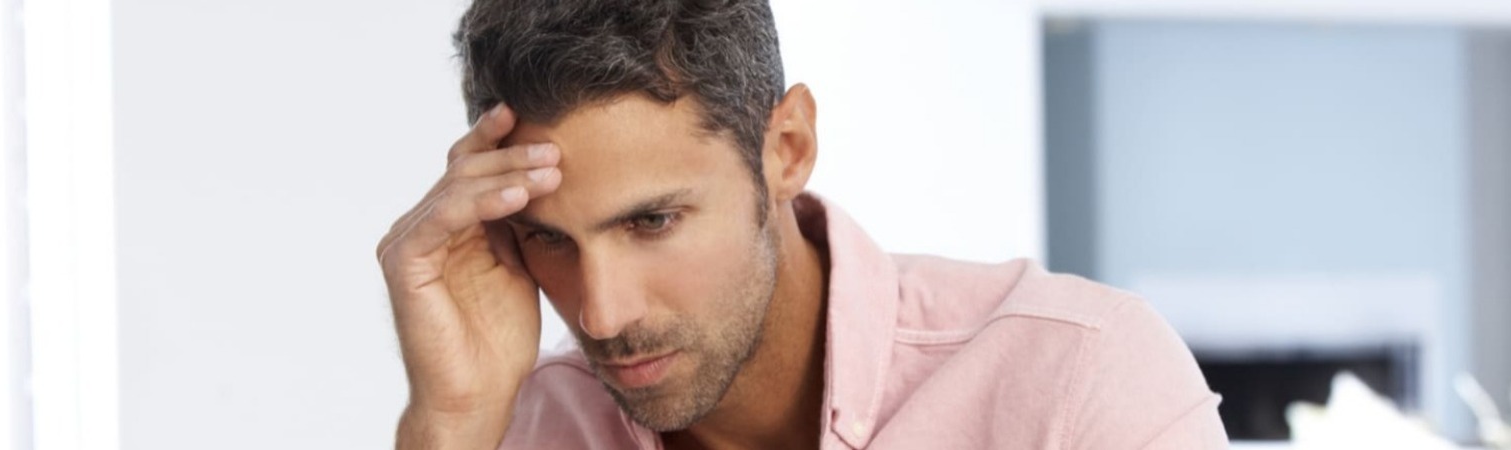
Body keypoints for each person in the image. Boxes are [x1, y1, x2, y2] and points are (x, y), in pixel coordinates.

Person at [374, 0, 1227, 448]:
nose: (600, 316)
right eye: (549, 239)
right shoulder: (522, 430)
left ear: (786, 147)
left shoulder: (1074, 379)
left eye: (653, 221)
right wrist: (450, 422)